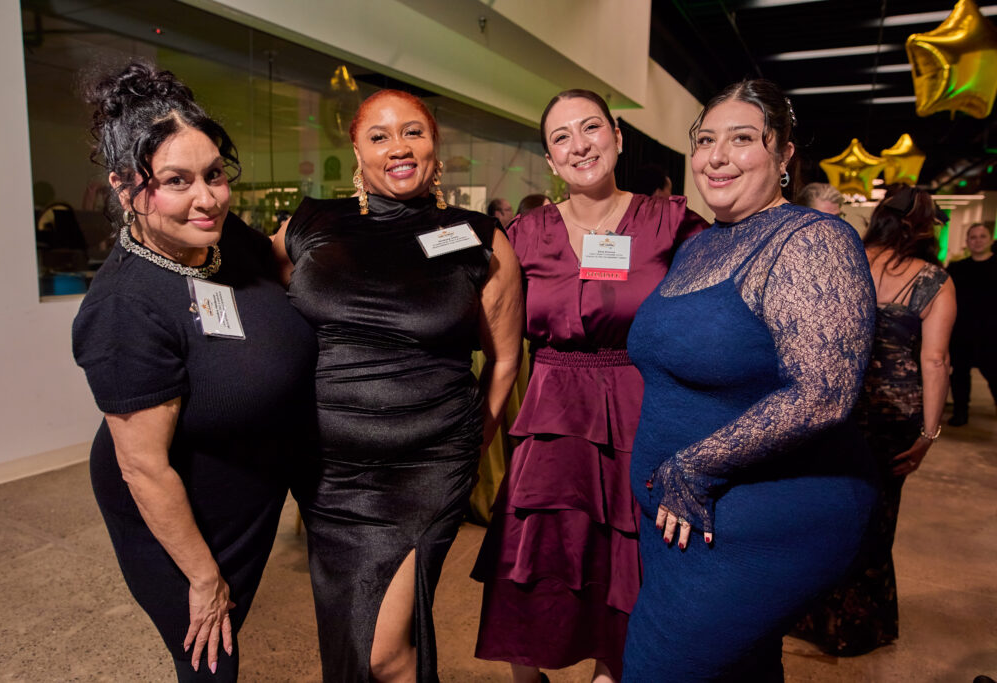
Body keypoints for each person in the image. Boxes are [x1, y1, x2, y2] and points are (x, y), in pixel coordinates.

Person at [623, 79, 878, 680]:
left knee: (658, 668)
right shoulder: (701, 245)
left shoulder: (811, 240)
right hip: (680, 518)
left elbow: (823, 393)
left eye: (742, 139)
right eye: (705, 140)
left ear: (784, 154)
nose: (716, 157)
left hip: (757, 518)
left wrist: (694, 467)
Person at [72, 62, 316, 682]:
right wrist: (204, 577)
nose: (207, 199)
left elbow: (277, 263)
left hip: (250, 483)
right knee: (209, 659)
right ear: (125, 187)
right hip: (182, 515)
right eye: (176, 181)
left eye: (214, 174)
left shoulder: (218, 239)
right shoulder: (123, 307)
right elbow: (143, 467)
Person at [271, 89, 523, 683]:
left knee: (383, 651)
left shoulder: (479, 237)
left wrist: (472, 446)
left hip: (426, 468)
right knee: (350, 634)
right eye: (379, 136)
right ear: (357, 152)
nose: (398, 147)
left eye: (413, 131)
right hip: (328, 472)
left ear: (435, 145)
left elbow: (505, 360)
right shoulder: (311, 223)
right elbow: (258, 306)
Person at [472, 88, 708, 683]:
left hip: (636, 411)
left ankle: (611, 672)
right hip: (550, 418)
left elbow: (719, 315)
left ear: (617, 137)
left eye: (591, 128)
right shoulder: (523, 232)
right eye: (561, 137)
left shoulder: (670, 222)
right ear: (549, 159)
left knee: (622, 555)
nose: (579, 145)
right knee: (535, 552)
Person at [792, 185, 956, 655]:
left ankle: (810, 617)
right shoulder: (935, 281)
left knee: (825, 510)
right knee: (877, 518)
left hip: (835, 405)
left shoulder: (845, 260)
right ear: (924, 227)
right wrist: (929, 433)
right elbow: (935, 361)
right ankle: (857, 627)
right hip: (892, 414)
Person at [947, 222, 997, 425]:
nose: (978, 241)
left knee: (994, 373)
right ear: (967, 241)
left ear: (990, 240)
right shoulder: (957, 268)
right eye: (973, 237)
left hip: (992, 332)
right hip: (963, 331)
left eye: (982, 236)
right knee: (959, 374)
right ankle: (960, 412)